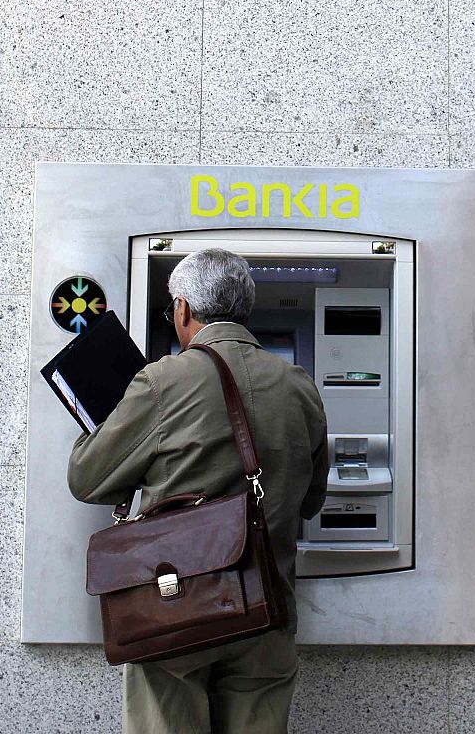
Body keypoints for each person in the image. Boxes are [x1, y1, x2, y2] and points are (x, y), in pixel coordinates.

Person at [67, 246, 328, 734]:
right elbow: (311, 501)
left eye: (173, 310)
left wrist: (98, 422)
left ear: (183, 309)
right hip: (266, 612)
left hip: (178, 611)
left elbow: (88, 477)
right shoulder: (299, 385)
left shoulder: (164, 379)